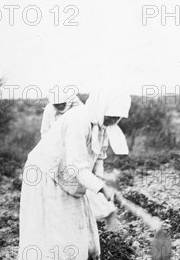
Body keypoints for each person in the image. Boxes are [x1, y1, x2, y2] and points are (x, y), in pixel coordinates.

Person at [18, 89, 131, 260]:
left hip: (68, 178)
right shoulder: (78, 120)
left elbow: (99, 159)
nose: (114, 119)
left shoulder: (103, 124)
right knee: (56, 229)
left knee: (76, 226)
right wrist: (100, 188)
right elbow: (77, 167)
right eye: (111, 115)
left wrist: (101, 180)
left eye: (118, 117)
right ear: (102, 107)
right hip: (46, 175)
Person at [40, 86, 120, 230]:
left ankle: (107, 216)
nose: (59, 106)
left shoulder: (87, 114)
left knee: (88, 190)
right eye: (56, 105)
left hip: (80, 161)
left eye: (62, 104)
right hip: (59, 161)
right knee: (64, 202)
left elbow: (97, 152)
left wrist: (98, 178)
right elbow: (45, 133)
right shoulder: (50, 111)